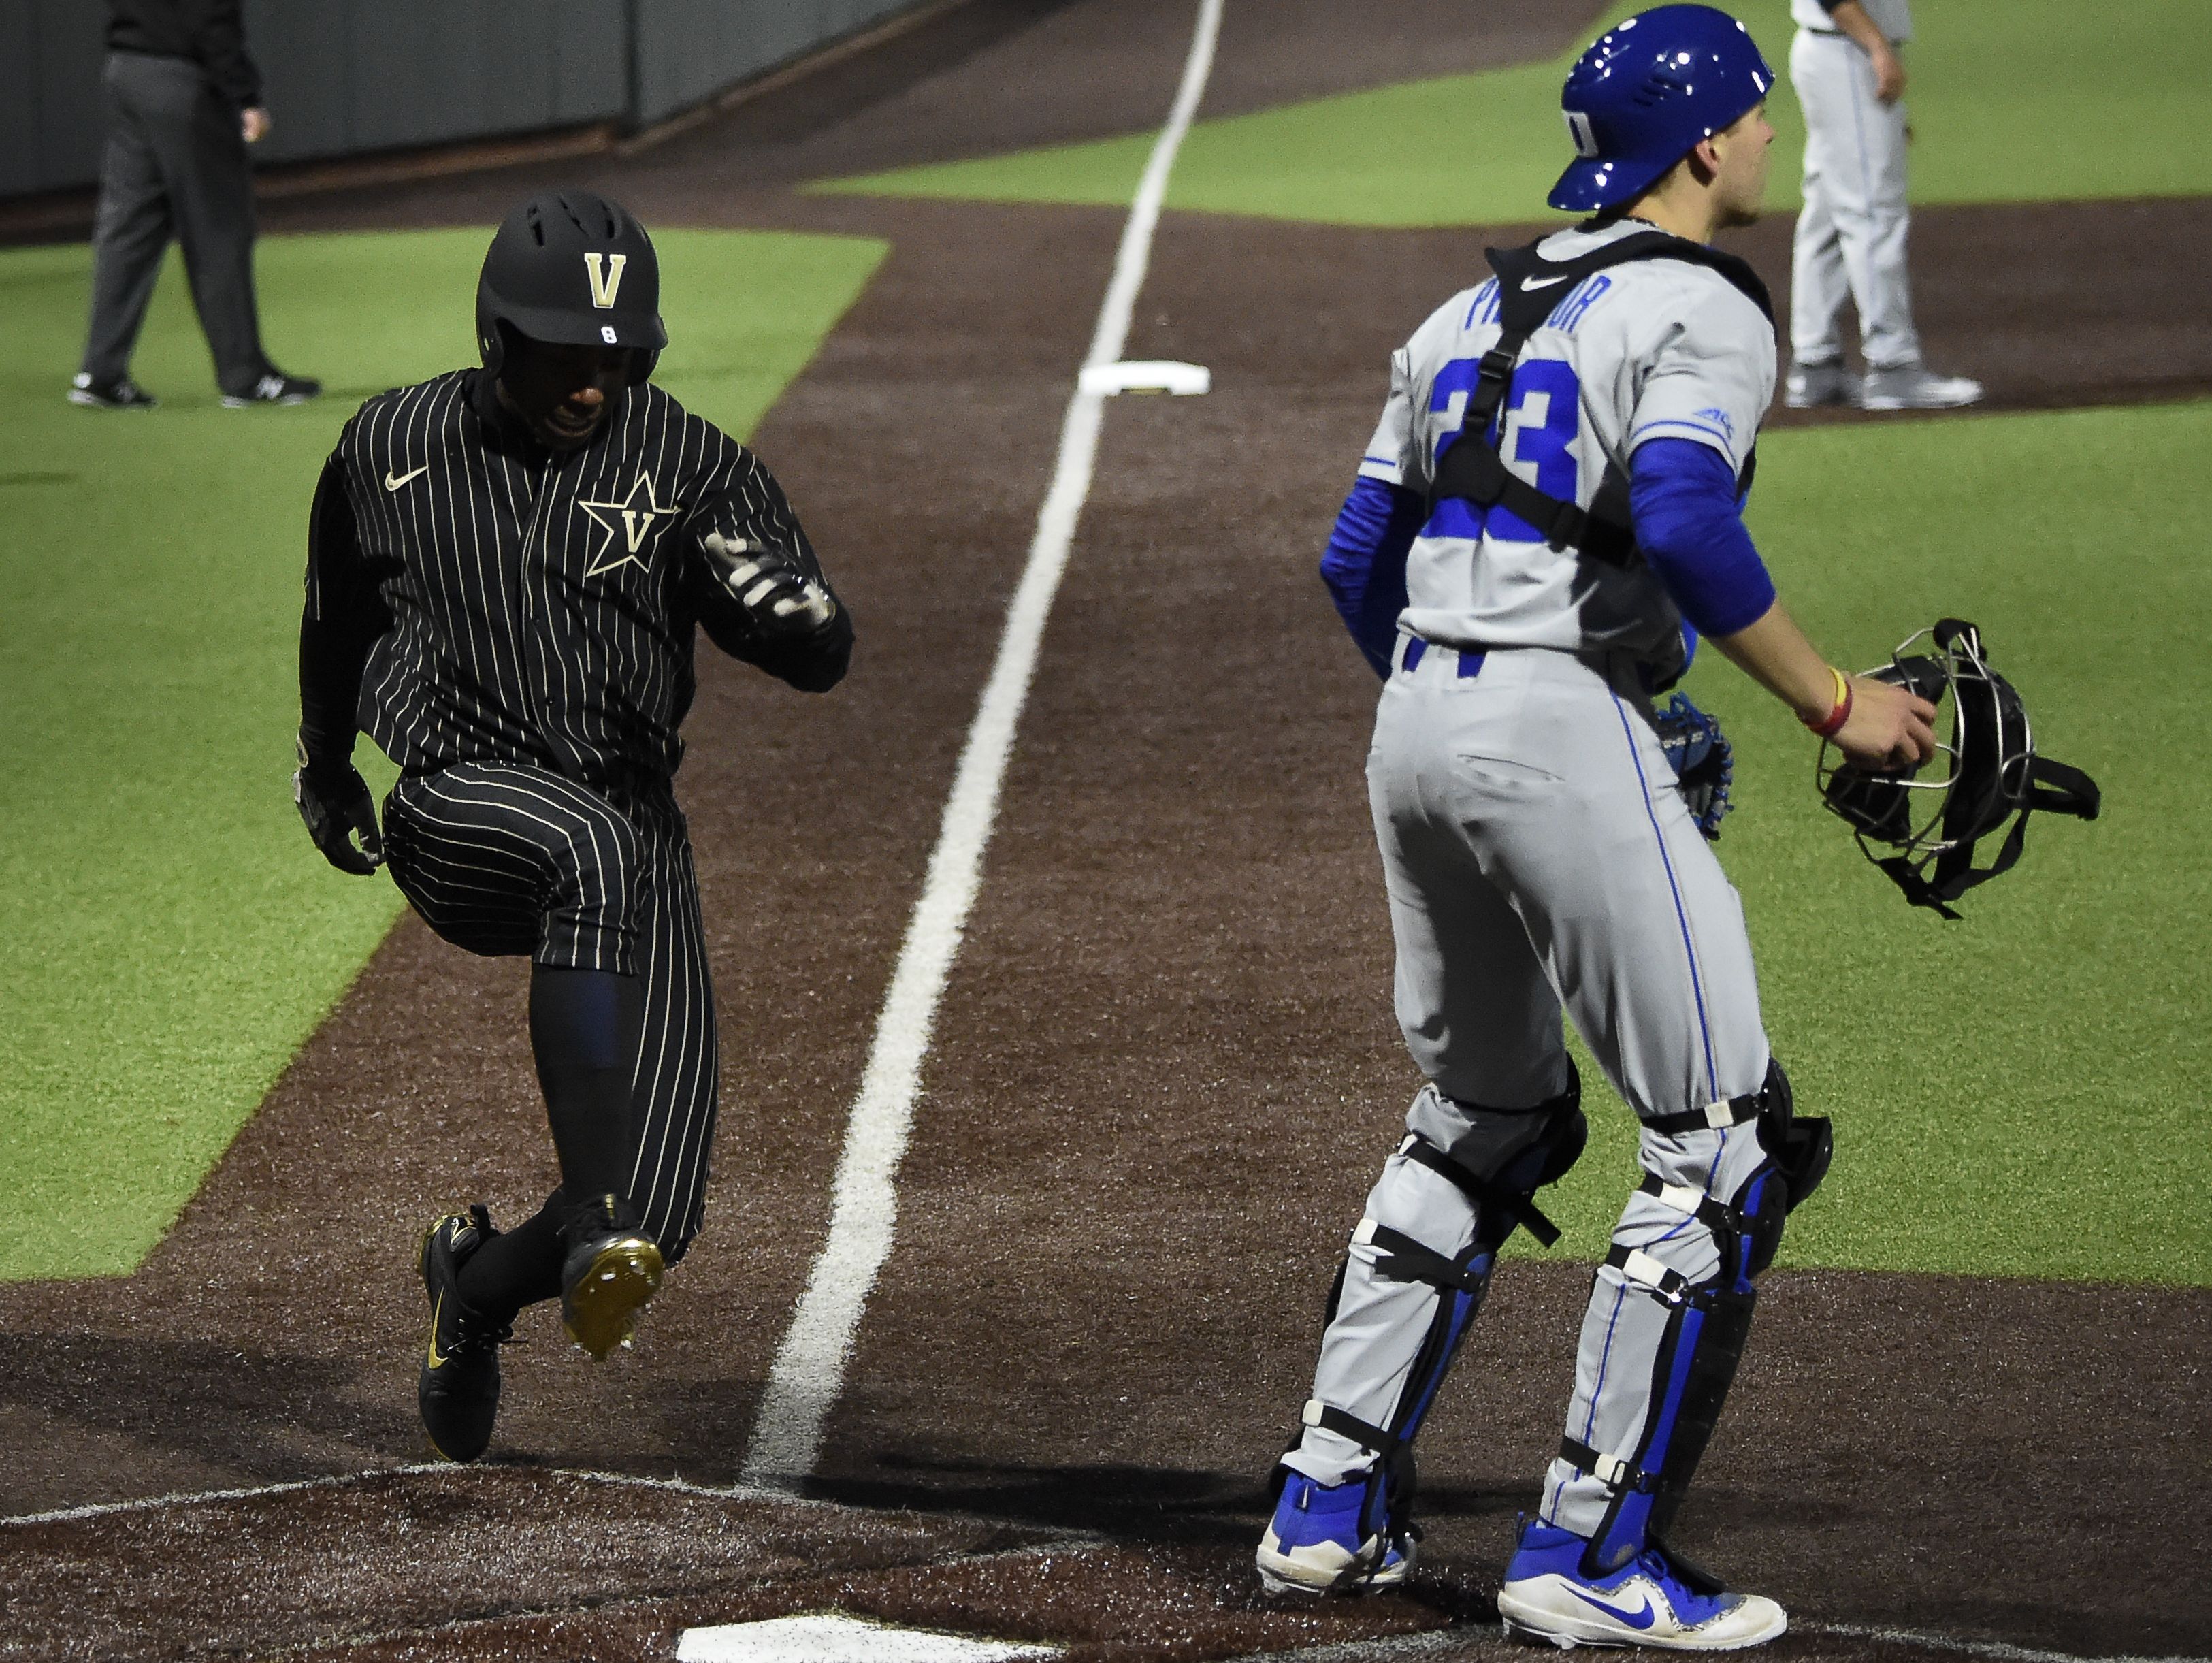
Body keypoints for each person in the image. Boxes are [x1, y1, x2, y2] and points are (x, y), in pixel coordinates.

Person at [1256, 7, 1936, 1649]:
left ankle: (1324, 1509)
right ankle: (1586, 1559)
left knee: (1484, 1113)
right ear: (1700, 142)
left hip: (1409, 717)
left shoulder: (1463, 308)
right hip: (1551, 725)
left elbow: (1359, 558)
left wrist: (1459, 699)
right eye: (1756, 119)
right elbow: (1689, 518)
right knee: (1720, 1149)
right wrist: (1833, 699)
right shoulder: (1701, 307)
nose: (1769, 140)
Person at [291, 189, 853, 1464]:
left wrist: (800, 624)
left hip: (631, 835)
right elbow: (335, 624)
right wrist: (325, 767)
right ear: (497, 339)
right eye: (564, 356)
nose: (593, 383)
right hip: (456, 801)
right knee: (578, 854)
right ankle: (593, 1202)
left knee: (661, 1216)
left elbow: (814, 646)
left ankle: (472, 1291)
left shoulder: (692, 464)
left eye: (618, 359)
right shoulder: (389, 447)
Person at [71, 0, 320, 410]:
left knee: (128, 230)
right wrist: (246, 95)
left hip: (127, 68)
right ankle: (245, 376)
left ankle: (99, 372)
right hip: (182, 78)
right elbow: (208, 18)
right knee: (218, 229)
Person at [1784, 0, 1981, 411]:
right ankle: (1893, 367)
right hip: (1847, 53)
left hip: (1836, 52)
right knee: (1872, 214)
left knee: (1827, 214)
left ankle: (1816, 366)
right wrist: (1878, 48)